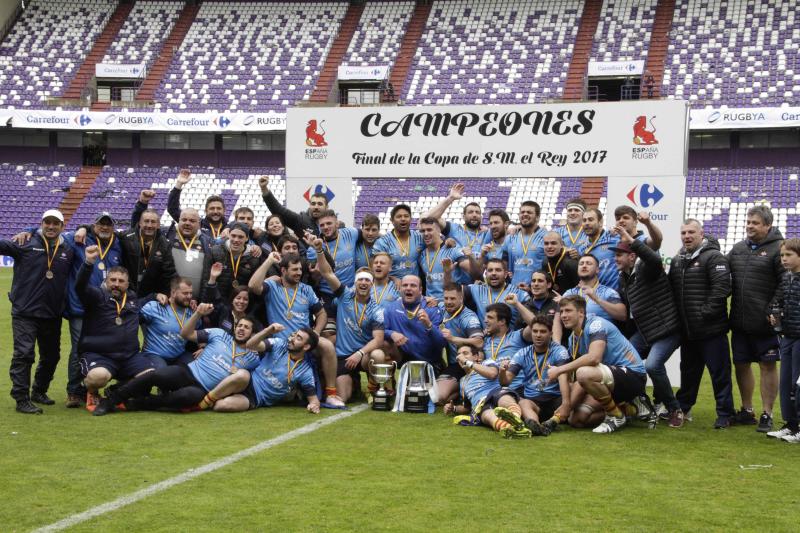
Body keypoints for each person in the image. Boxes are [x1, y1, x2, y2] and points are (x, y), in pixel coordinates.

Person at [92, 303, 263, 415]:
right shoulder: (219, 334)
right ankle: (111, 401)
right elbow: (186, 334)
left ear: (253, 333)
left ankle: (139, 403)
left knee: (183, 399)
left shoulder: (254, 358)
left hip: (203, 389)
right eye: (239, 325)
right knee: (156, 376)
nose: (241, 329)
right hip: (188, 372)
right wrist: (197, 314)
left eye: (246, 328)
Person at [248, 251, 344, 407]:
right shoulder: (272, 286)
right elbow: (253, 286)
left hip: (304, 341)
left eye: (300, 269)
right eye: (295, 269)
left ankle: (331, 393)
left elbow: (321, 313)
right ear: (284, 270)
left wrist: (316, 333)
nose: (299, 272)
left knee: (326, 345)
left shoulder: (306, 289)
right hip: (281, 342)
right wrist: (268, 261)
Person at [2, 210, 74, 414]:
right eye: (47, 223)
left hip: (52, 313)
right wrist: (28, 230)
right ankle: (21, 398)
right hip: (25, 312)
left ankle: (39, 391)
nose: (51, 227)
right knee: (24, 355)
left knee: (51, 356)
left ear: (62, 226)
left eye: (56, 224)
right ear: (41, 223)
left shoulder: (67, 248)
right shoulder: (25, 242)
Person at [612, 228, 683, 428]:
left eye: (619, 254)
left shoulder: (645, 267)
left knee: (652, 365)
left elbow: (654, 260)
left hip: (666, 329)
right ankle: (640, 401)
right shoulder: (623, 276)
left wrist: (633, 241)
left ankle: (673, 408)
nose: (615, 258)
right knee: (621, 358)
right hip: (645, 332)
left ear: (632, 256)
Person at [669, 219, 735, 428]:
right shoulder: (678, 259)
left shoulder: (714, 257)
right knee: (688, 373)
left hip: (711, 330)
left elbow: (722, 289)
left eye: (691, 232)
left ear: (701, 234)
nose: (687, 236)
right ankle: (684, 408)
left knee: (720, 374)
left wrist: (703, 313)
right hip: (688, 331)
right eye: (684, 233)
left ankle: (725, 414)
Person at [550, 295, 646, 434]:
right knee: (575, 419)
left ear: (581, 312)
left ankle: (615, 415)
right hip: (606, 380)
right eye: (562, 311)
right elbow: (580, 380)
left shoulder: (596, 324)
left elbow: (594, 358)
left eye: (568, 311)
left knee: (583, 373)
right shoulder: (572, 339)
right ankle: (629, 410)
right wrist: (567, 406)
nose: (563, 315)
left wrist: (559, 370)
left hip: (633, 376)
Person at [727, 205, 783, 431]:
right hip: (739, 320)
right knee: (741, 364)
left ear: (768, 225)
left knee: (767, 366)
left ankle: (768, 413)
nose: (750, 226)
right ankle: (747, 410)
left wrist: (773, 308)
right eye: (748, 222)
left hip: (765, 322)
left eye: (755, 223)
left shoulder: (779, 249)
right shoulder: (738, 248)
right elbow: (722, 270)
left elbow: (785, 281)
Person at [78, 245, 154, 412]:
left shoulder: (133, 301)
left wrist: (159, 295)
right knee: (99, 377)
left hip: (129, 357)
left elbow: (147, 300)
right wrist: (88, 264)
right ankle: (91, 391)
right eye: (113, 280)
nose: (116, 284)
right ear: (106, 281)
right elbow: (80, 287)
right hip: (100, 355)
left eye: (121, 281)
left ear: (127, 284)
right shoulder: (96, 296)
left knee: (151, 377)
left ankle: (115, 392)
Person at [65, 211, 126, 407]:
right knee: (78, 349)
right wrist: (31, 230)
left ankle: (92, 389)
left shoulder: (118, 244)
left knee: (102, 347)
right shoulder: (79, 240)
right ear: (94, 225)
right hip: (80, 307)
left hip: (106, 309)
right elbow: (51, 232)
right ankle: (74, 391)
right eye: (101, 224)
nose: (105, 227)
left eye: (109, 224)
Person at [315, 239, 386, 404]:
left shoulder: (377, 309)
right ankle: (353, 384)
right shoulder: (345, 295)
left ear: (372, 284)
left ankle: (372, 388)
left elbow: (378, 339)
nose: (363, 283)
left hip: (363, 356)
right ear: (355, 282)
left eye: (367, 280)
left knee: (378, 354)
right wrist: (319, 250)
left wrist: (360, 353)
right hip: (342, 356)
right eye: (360, 280)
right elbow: (327, 274)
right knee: (343, 398)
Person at [208, 326, 321, 413]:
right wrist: (268, 330)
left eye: (298, 338)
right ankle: (204, 401)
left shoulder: (305, 371)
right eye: (295, 335)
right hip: (247, 381)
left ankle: (212, 398)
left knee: (221, 406)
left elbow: (313, 399)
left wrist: (314, 406)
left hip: (256, 398)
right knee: (242, 374)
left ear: (306, 347)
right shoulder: (279, 344)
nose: (292, 339)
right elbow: (250, 345)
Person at [499, 315, 571, 436]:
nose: (538, 335)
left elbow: (563, 378)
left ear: (551, 333)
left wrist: (565, 404)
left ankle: (553, 419)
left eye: (543, 331)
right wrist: (502, 371)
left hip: (555, 399)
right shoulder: (522, 353)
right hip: (534, 401)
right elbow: (505, 382)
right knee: (523, 403)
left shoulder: (559, 351)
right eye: (535, 331)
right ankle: (535, 425)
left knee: (575, 386)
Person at [443, 345, 532, 439]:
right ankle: (511, 429)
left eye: (465, 353)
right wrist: (454, 408)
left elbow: (492, 374)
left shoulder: (487, 362)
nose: (460, 357)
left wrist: (467, 362)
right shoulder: (462, 381)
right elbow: (467, 408)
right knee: (487, 416)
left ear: (476, 356)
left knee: (504, 400)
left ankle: (515, 418)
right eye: (459, 355)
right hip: (480, 404)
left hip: (496, 393)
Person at [768, 238, 800, 442]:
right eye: (782, 255)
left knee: (798, 384)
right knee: (786, 382)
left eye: (789, 255)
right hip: (787, 336)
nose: (784, 259)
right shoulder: (787, 278)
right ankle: (790, 424)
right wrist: (776, 317)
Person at [381, 275, 446, 372]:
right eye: (405, 285)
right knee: (384, 343)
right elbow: (380, 331)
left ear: (420, 290)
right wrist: (392, 334)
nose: (408, 288)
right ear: (400, 289)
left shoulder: (432, 308)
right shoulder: (391, 309)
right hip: (405, 361)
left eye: (413, 285)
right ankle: (387, 380)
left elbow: (441, 343)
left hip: (431, 362)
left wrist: (429, 325)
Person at [437, 283, 484, 403]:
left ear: (461, 299)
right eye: (446, 298)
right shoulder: (443, 308)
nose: (448, 302)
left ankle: (463, 390)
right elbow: (437, 302)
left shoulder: (469, 317)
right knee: (438, 396)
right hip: (454, 364)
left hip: (469, 365)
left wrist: (453, 339)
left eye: (452, 298)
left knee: (440, 396)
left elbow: (479, 342)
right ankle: (460, 391)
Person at [451, 257, 530, 327]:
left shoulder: (519, 293)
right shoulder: (476, 289)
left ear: (506, 274)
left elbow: (532, 323)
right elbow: (451, 292)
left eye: (498, 270)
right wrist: (448, 273)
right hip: (484, 341)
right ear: (485, 273)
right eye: (490, 270)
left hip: (508, 341)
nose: (494, 273)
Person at [124, 192, 176, 297]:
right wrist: (85, 228)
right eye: (146, 221)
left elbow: (168, 273)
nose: (149, 225)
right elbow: (107, 233)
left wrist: (165, 295)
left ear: (158, 225)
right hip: (126, 294)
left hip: (151, 296)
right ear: (140, 223)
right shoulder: (126, 238)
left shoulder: (165, 245)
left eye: (153, 222)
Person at [139, 276, 197, 370]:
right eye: (185, 293)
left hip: (179, 355)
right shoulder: (155, 307)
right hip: (154, 354)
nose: (189, 296)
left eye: (191, 293)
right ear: (173, 293)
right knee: (164, 374)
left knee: (195, 370)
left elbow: (201, 333)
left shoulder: (192, 313)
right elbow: (132, 314)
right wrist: (153, 296)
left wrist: (202, 347)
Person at [423, 182, 488, 257]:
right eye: (470, 212)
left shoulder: (486, 234)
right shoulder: (454, 229)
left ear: (481, 217)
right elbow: (429, 218)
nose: (474, 215)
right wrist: (450, 198)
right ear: (463, 216)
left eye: (477, 212)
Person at [481, 299, 533, 391]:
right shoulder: (485, 341)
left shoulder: (517, 336)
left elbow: (535, 324)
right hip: (493, 390)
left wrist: (517, 303)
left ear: (502, 321)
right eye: (486, 317)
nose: (485, 321)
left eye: (490, 317)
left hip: (519, 388)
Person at [417, 217, 471, 300]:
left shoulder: (452, 249)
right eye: (423, 231)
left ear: (439, 230)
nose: (426, 233)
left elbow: (471, 270)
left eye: (429, 230)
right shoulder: (421, 255)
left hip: (450, 302)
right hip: (431, 305)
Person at [562, 254, 626, 323]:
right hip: (577, 333)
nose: (584, 266)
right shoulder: (570, 293)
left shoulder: (608, 292)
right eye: (581, 264)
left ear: (597, 270)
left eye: (588, 263)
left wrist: (596, 299)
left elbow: (622, 315)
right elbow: (557, 320)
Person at [167, 169, 228, 240]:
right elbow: (173, 209)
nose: (215, 211)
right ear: (206, 211)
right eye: (212, 208)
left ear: (224, 210)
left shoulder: (230, 228)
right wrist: (179, 184)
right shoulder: (196, 224)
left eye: (219, 208)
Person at [260, 175, 327, 237]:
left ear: (326, 207)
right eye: (313, 204)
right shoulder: (301, 220)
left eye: (320, 204)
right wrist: (264, 188)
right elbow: (278, 209)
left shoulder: (333, 223)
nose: (316, 207)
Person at [209, 222, 261, 302]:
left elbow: (253, 288)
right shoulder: (215, 251)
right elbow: (206, 280)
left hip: (240, 304)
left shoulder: (253, 257)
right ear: (229, 235)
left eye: (240, 237)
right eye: (233, 236)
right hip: (218, 303)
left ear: (247, 238)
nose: (236, 240)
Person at [371, 204, 424, 278]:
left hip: (414, 286)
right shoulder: (382, 242)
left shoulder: (420, 238)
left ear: (410, 219)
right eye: (399, 216)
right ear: (392, 220)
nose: (403, 219)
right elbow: (375, 269)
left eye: (406, 216)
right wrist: (393, 279)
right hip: (392, 287)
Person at [502, 200, 546, 289]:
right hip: (513, 289)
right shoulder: (510, 238)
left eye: (529, 212)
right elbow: (504, 264)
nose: (525, 214)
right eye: (522, 212)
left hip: (536, 290)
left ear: (537, 217)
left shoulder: (545, 237)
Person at [578, 208, 620, 290]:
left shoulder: (614, 238)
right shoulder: (582, 248)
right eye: (584, 220)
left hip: (613, 294)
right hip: (591, 295)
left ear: (600, 222)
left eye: (590, 220)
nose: (587, 223)